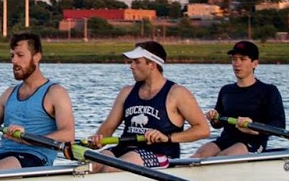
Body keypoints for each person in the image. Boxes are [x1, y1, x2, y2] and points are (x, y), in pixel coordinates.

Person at [85, 40, 209, 170]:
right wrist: (97, 141)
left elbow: (203, 129)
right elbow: (108, 128)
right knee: (93, 165)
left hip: (160, 153)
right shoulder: (126, 92)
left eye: (137, 62)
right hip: (125, 149)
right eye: (131, 62)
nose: (131, 66)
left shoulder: (177, 93)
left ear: (152, 64)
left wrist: (168, 138)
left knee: (112, 168)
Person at [0, 32, 75, 171]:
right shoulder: (9, 93)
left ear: (36, 57)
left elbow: (68, 135)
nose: (14, 61)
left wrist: (26, 138)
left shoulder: (56, 93)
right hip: (4, 153)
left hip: (35, 157)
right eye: (12, 56)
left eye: (20, 55)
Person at [194, 40, 286, 157]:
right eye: (234, 59)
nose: (237, 64)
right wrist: (215, 119)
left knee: (225, 156)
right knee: (199, 155)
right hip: (225, 140)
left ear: (254, 63)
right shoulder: (226, 90)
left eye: (242, 59)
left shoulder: (268, 91)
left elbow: (279, 125)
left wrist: (253, 126)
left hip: (253, 143)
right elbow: (218, 123)